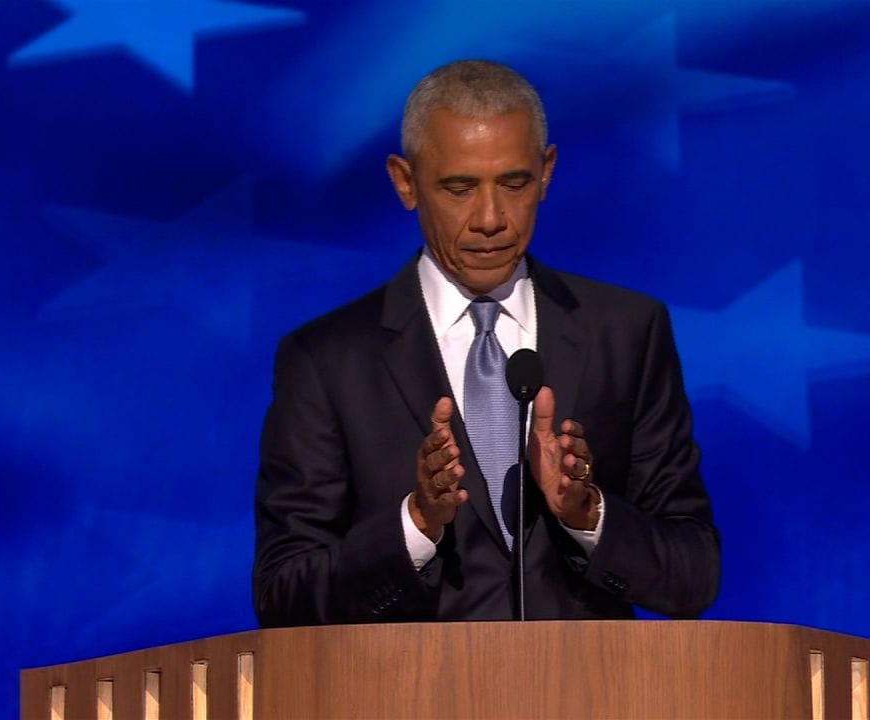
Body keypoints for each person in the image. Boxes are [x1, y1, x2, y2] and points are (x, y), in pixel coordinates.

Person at [253, 60, 719, 625]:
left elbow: (693, 576)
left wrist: (586, 513)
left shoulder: (626, 332)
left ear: (546, 172)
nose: (491, 218)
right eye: (459, 188)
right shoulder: (327, 360)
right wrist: (418, 523)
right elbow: (284, 598)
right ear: (405, 181)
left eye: (515, 182)